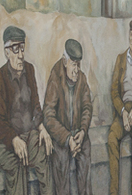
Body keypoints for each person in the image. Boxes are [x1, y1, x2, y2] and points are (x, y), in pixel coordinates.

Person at [0, 25, 53, 195]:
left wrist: (42, 128)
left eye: (22, 48)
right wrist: (14, 139)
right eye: (15, 49)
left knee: (45, 152)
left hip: (28, 136)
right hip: (5, 142)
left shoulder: (29, 70)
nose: (20, 55)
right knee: (18, 165)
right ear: (6, 52)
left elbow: (36, 106)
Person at [43, 38, 93, 195]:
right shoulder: (55, 78)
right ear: (65, 62)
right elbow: (48, 116)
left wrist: (83, 131)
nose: (76, 70)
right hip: (61, 136)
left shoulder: (82, 79)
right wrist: (67, 138)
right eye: (73, 64)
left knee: (86, 149)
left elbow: (87, 107)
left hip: (78, 132)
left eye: (79, 64)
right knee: (60, 160)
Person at [107, 19, 132, 195]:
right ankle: (114, 191)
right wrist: (122, 112)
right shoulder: (120, 59)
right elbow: (114, 90)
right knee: (112, 138)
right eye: (131, 35)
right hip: (122, 109)